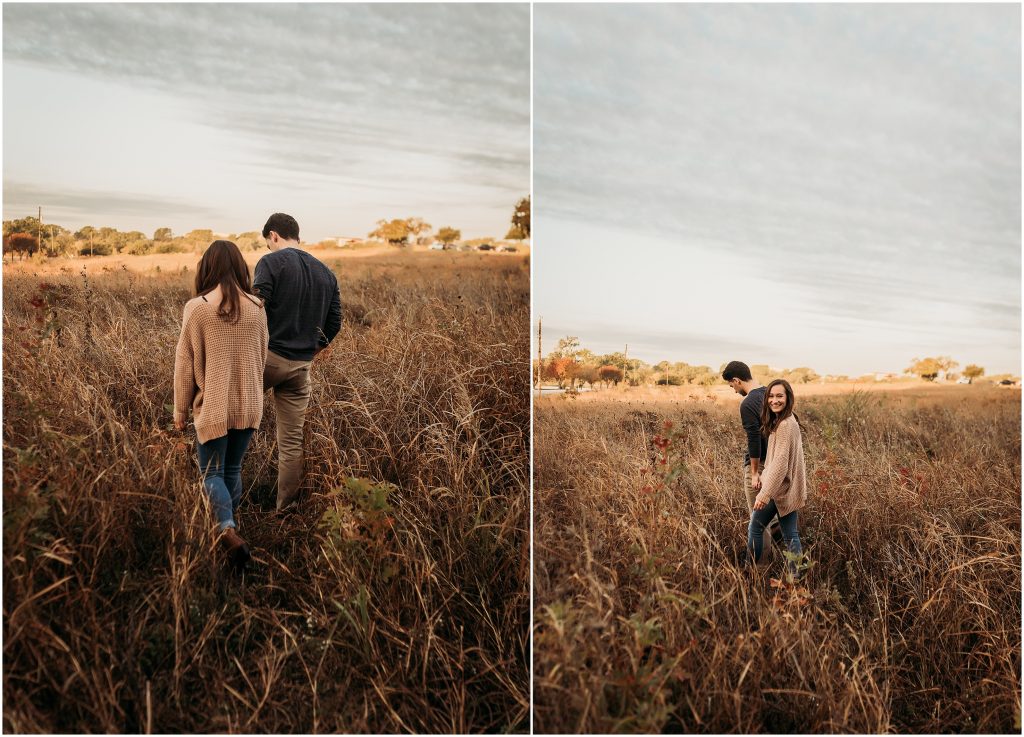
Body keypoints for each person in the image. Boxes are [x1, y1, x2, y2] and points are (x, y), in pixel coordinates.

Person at [174, 240, 269, 569]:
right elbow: (262, 356)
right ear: (241, 267)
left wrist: (179, 410)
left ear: (207, 268)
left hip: (214, 404)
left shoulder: (197, 308)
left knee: (211, 472)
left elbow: (184, 364)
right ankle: (232, 532)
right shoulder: (257, 308)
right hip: (249, 403)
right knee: (232, 469)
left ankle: (226, 531)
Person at [255, 213, 342, 510]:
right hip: (302, 366)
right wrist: (311, 352)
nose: (269, 247)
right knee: (291, 442)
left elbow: (256, 308)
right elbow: (334, 323)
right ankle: (286, 508)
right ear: (297, 236)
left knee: (229, 418)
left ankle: (222, 496)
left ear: (273, 235)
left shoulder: (270, 262)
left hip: (268, 359)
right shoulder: (326, 272)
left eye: (268, 242)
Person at [748, 379, 808, 576]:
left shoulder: (784, 425)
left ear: (788, 397)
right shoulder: (787, 420)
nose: (774, 400)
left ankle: (752, 571)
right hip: (788, 488)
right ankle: (795, 577)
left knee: (756, 528)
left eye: (779, 396)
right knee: (790, 535)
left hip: (779, 489)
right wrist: (763, 475)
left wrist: (765, 493)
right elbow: (778, 460)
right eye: (771, 396)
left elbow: (780, 463)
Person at [722, 360, 781, 547]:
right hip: (777, 464)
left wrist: (755, 472)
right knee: (774, 515)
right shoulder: (772, 394)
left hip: (761, 464)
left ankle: (760, 563)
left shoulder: (747, 403)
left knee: (758, 522)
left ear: (737, 380)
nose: (734, 390)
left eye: (732, 385)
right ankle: (783, 554)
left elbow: (754, 440)